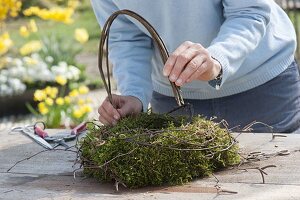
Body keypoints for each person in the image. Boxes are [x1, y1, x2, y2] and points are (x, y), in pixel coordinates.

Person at [91, 0, 300, 133]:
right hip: (174, 102)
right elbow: (126, 37)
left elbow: (249, 11)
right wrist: (134, 93)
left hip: (262, 91)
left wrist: (217, 60)